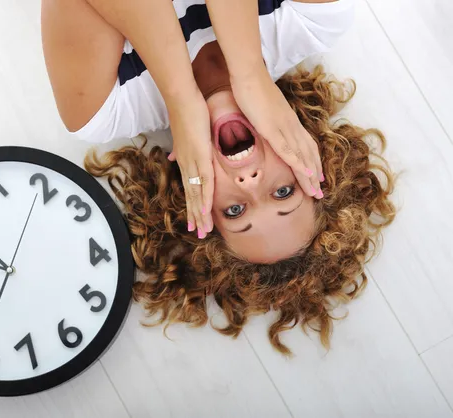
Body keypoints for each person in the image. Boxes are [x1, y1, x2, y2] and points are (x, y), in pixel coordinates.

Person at [41, 0, 397, 354]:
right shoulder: (313, 20)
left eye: (235, 212)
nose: (251, 182)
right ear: (313, 156)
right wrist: (249, 74)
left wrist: (180, 94)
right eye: (284, 192)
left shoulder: (105, 109)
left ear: (197, 204)